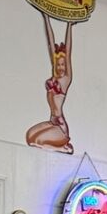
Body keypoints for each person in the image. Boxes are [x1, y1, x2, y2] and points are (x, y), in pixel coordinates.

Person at [25, 14, 75, 154]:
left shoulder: (65, 80)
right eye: (58, 65)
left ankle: (62, 148)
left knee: (37, 142)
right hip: (52, 121)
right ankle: (60, 147)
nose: (60, 68)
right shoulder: (54, 76)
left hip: (60, 127)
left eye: (62, 65)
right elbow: (50, 42)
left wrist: (69, 26)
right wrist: (46, 18)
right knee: (29, 137)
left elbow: (69, 51)